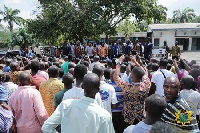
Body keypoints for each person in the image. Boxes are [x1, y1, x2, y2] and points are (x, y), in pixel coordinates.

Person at [42, 73, 115, 133]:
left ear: (82, 86)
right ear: (98, 89)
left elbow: (46, 127)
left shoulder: (66, 105)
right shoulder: (104, 116)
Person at [113, 55, 151, 126]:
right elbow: (145, 73)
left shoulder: (127, 87)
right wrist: (136, 63)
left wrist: (119, 62)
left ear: (131, 76)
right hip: (140, 116)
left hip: (128, 117)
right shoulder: (146, 86)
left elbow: (116, 76)